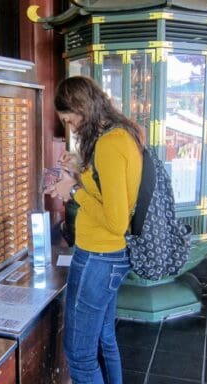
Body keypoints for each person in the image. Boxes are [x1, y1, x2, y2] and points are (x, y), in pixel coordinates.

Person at [45, 76, 145, 384]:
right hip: (110, 256)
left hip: (99, 257)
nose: (71, 127)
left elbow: (115, 220)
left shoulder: (109, 144)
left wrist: (72, 191)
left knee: (79, 354)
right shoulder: (121, 135)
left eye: (70, 119)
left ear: (81, 108)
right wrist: (78, 167)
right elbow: (110, 189)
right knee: (104, 341)